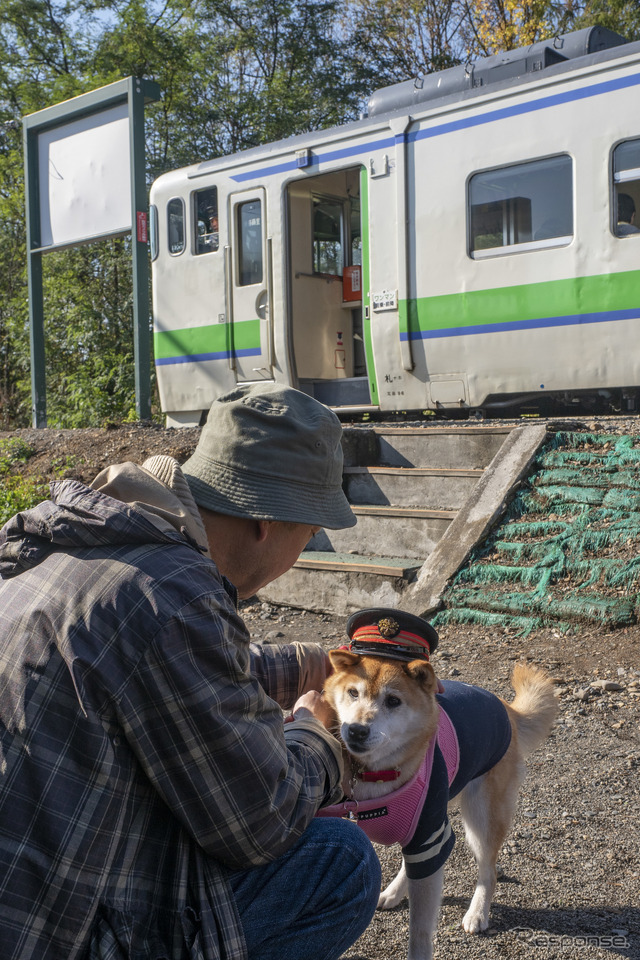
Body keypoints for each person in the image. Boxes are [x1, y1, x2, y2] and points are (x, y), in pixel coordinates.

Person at [0, 384, 381, 960]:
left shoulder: (81, 550)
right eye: (308, 534)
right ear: (266, 520)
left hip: (20, 899)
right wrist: (315, 735)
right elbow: (261, 824)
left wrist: (310, 663)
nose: (303, 552)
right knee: (341, 862)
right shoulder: (176, 596)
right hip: (54, 933)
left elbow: (154, 673)